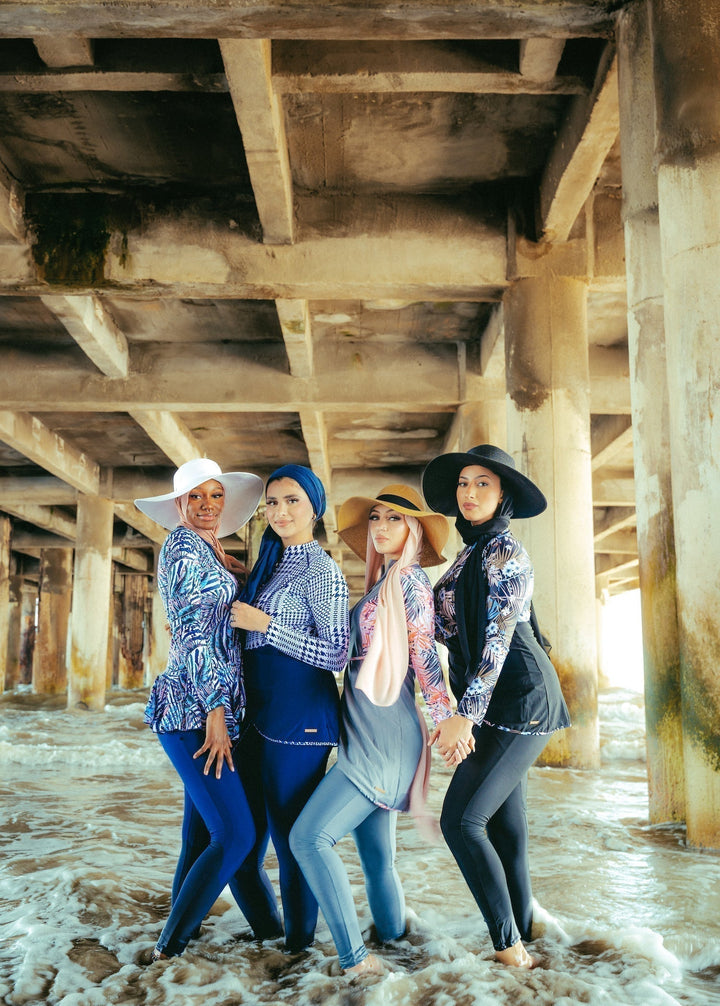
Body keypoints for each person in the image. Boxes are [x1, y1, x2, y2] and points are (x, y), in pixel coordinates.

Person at [290, 484, 459, 978]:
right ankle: (405, 952)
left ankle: (356, 962)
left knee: (309, 839)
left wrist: (446, 715)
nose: (381, 527)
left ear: (414, 531)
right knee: (377, 862)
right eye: (376, 519)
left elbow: (425, 652)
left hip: (385, 736)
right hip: (366, 730)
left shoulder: (409, 583)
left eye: (395, 519)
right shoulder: (382, 582)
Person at [421, 444, 571, 970]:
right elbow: (447, 631)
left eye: (482, 483)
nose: (469, 492)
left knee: (462, 821)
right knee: (506, 827)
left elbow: (497, 640)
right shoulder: (468, 554)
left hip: (519, 698)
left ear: (503, 493)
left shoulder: (505, 551)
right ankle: (533, 938)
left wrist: (465, 714)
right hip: (490, 700)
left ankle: (511, 951)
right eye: (463, 484)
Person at [134, 457, 264, 960]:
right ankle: (168, 951)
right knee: (235, 835)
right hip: (195, 710)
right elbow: (193, 635)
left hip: (199, 704)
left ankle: (177, 946)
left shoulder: (206, 549)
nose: (208, 505)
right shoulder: (184, 546)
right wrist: (216, 713)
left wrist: (238, 569)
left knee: (199, 838)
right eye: (197, 497)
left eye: (215, 495)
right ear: (179, 505)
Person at [228, 464, 349, 952]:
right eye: (272, 502)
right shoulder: (268, 563)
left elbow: (338, 652)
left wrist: (266, 624)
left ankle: (297, 953)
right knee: (240, 842)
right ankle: (269, 940)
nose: (280, 511)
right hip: (257, 716)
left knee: (290, 842)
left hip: (300, 721)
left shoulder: (322, 568)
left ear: (314, 508)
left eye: (292, 500)